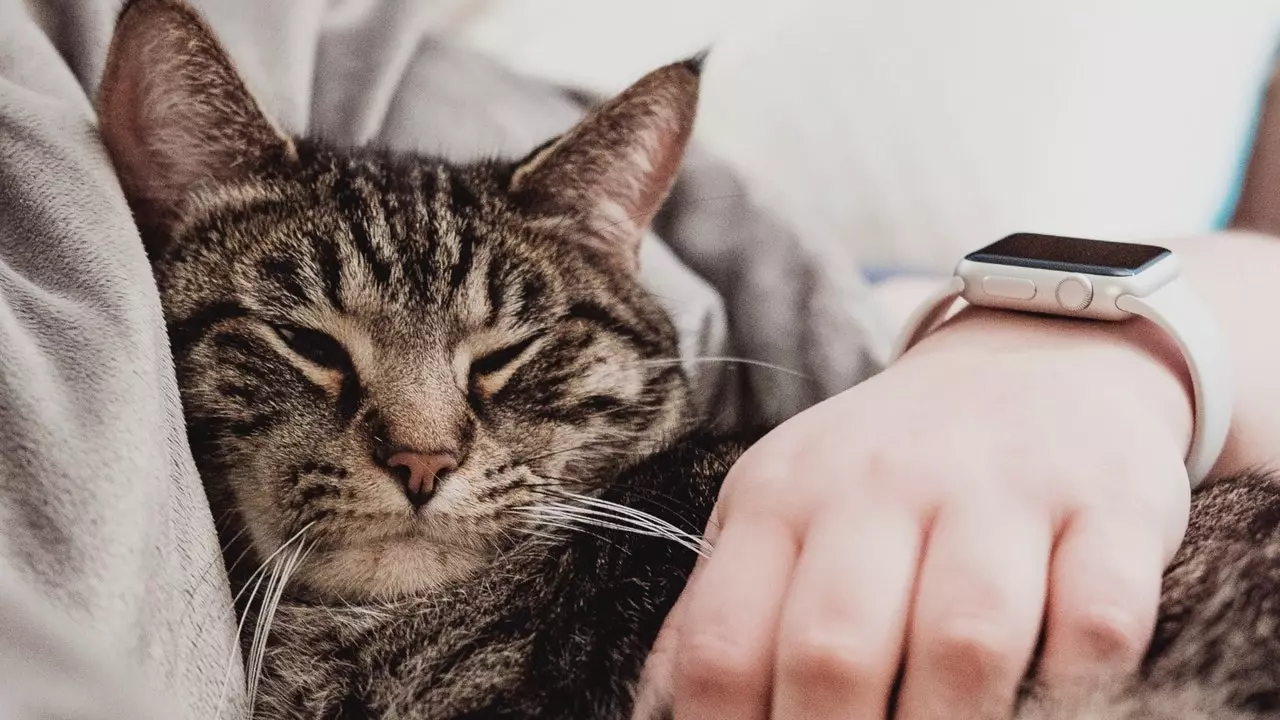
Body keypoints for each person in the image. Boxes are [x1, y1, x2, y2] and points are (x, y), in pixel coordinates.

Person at [0, 1, 1278, 719]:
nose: (422, 450)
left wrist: (1052, 350)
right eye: (310, 352)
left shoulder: (770, 365)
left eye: (511, 361)